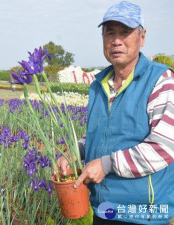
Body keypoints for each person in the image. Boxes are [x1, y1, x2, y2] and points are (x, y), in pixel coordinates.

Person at [57, 1, 174, 225]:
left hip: (143, 214)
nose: (116, 40)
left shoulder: (160, 80)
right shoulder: (99, 84)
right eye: (110, 32)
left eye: (125, 32)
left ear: (142, 37)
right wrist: (76, 151)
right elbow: (98, 134)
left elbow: (164, 146)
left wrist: (106, 164)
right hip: (105, 209)